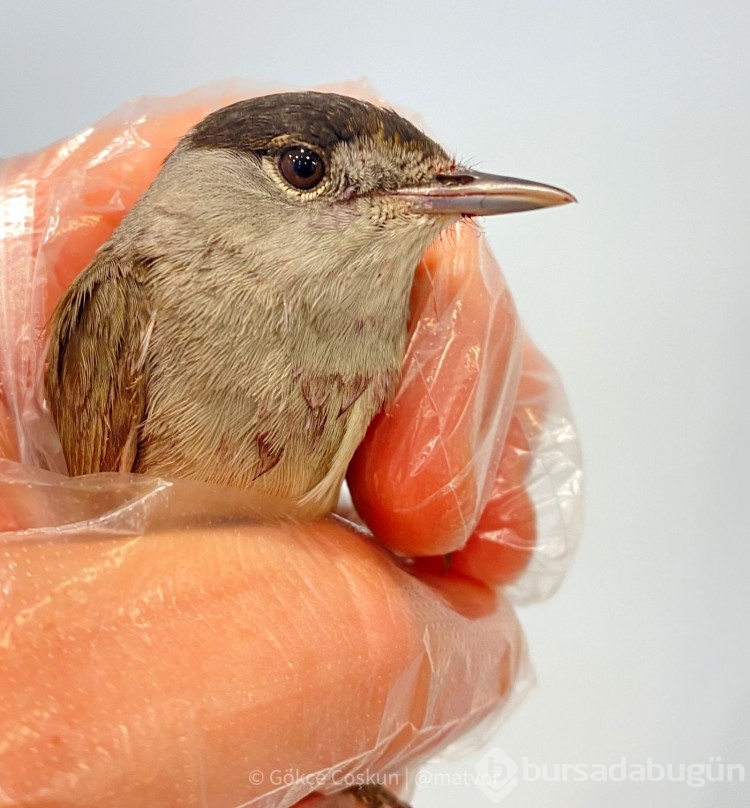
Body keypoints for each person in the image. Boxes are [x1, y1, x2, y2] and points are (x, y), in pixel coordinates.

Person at [0, 86, 580, 807]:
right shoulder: (132, 290)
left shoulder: (392, 307)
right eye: (306, 171)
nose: (395, 200)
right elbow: (98, 543)